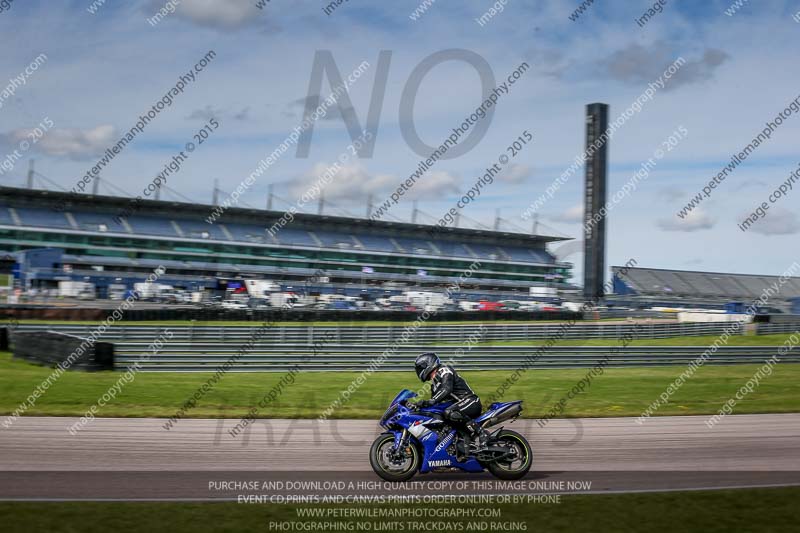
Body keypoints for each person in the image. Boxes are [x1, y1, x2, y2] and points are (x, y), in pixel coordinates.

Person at [412, 352, 488, 452]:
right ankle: (458, 446)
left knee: (449, 412)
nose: (419, 371)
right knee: (438, 417)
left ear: (428, 365)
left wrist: (430, 401)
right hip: (459, 407)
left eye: (420, 368)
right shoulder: (433, 385)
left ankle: (482, 433)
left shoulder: (444, 370)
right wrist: (419, 407)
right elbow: (435, 405)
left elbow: (446, 389)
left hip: (470, 401)